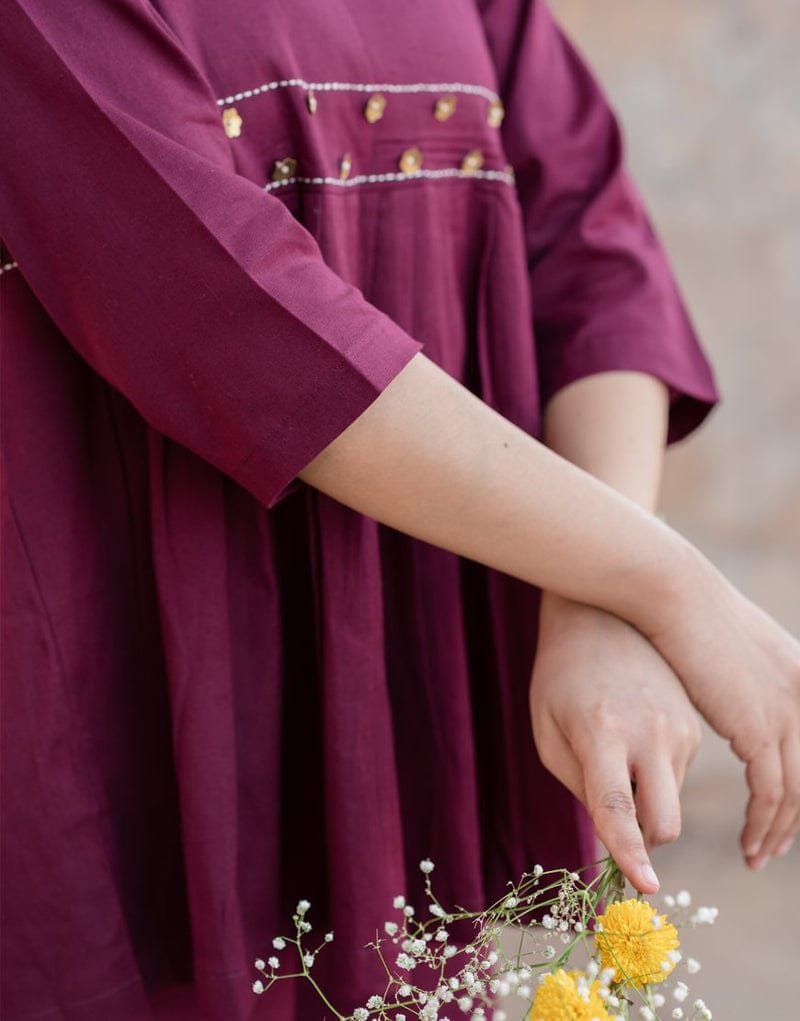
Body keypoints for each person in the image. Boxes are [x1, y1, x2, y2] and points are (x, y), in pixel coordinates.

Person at [1, 1, 797, 1019]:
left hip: (411, 672)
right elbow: (238, 322)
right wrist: (665, 583)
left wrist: (593, 601)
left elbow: (593, 255)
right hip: (160, 678)